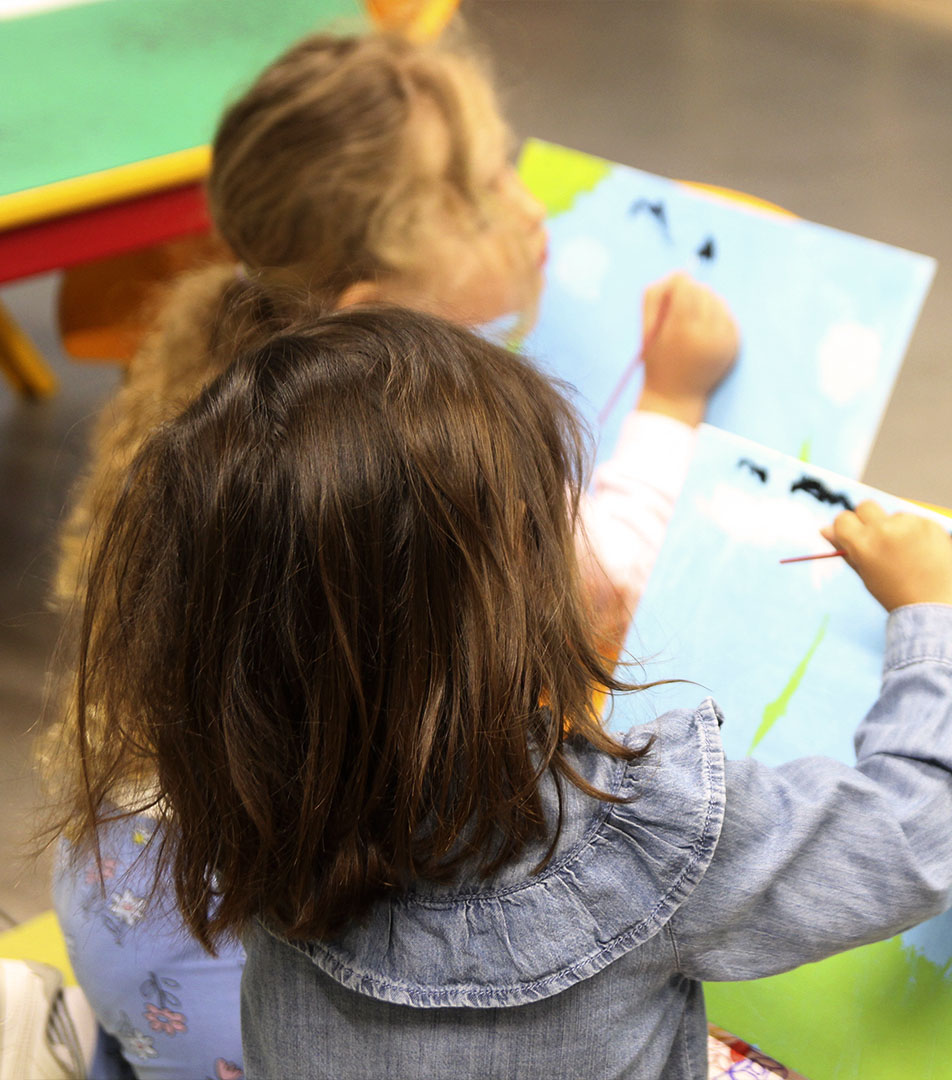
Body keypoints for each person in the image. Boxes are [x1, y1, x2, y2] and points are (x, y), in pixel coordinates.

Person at [57, 308, 952, 1080]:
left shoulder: (246, 800)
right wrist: (936, 622)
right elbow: (923, 831)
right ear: (515, 567)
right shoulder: (637, 839)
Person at [48, 32, 737, 1079]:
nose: (530, 204)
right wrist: (676, 403)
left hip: (136, 924)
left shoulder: (223, 398)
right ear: (374, 309)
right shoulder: (412, 462)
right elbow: (593, 602)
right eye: (478, 193)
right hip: (261, 993)